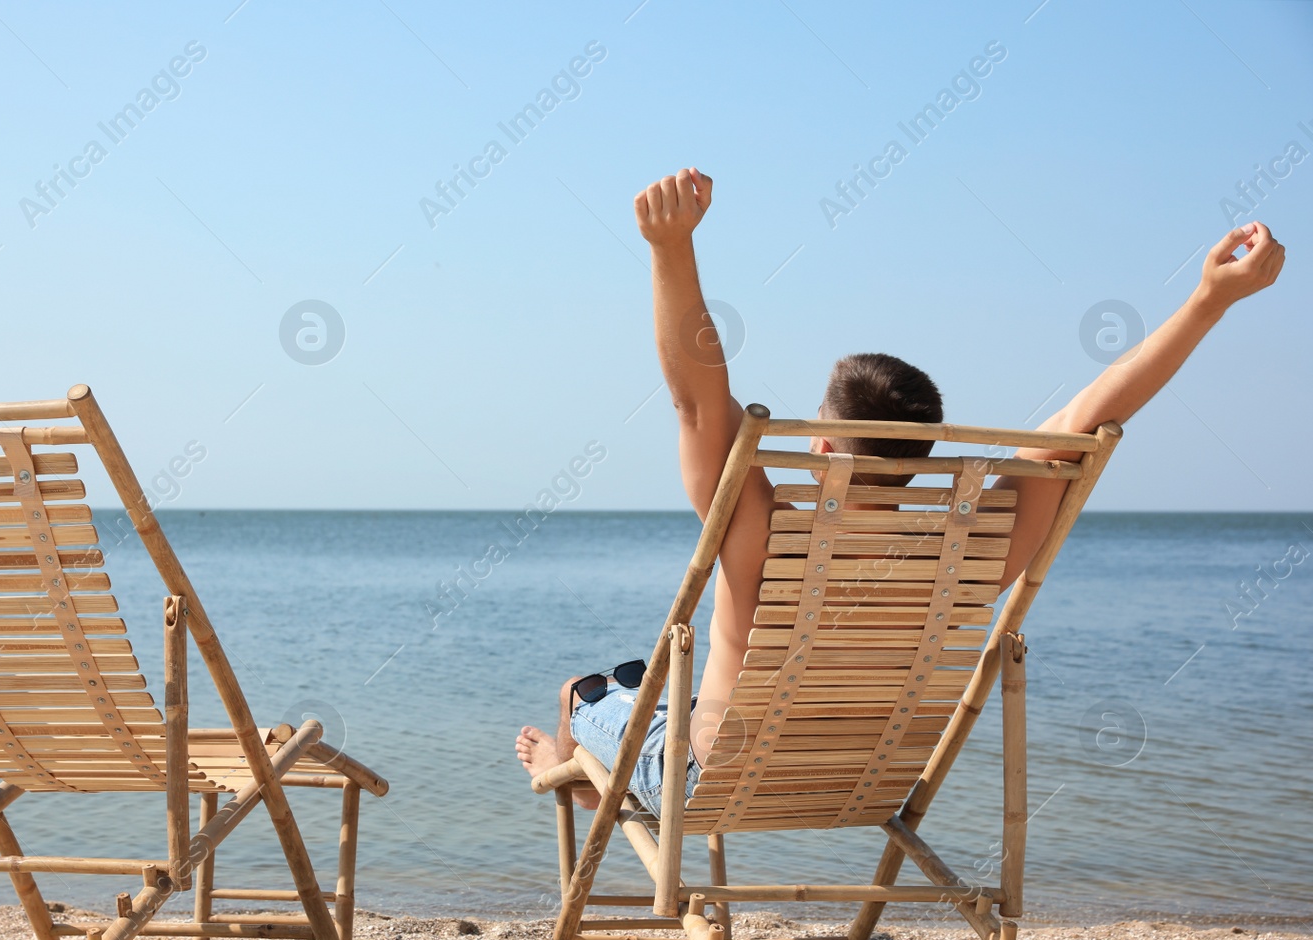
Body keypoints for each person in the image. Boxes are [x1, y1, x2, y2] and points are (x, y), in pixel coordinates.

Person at [516, 166, 1285, 814]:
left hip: (712, 782)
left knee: (586, 695)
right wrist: (1209, 300)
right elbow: (1085, 420)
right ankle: (612, 749)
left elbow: (697, 403)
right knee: (644, 687)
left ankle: (580, 773)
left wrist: (671, 246)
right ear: (917, 456)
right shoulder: (975, 548)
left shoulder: (760, 526)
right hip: (858, 782)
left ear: (819, 445)